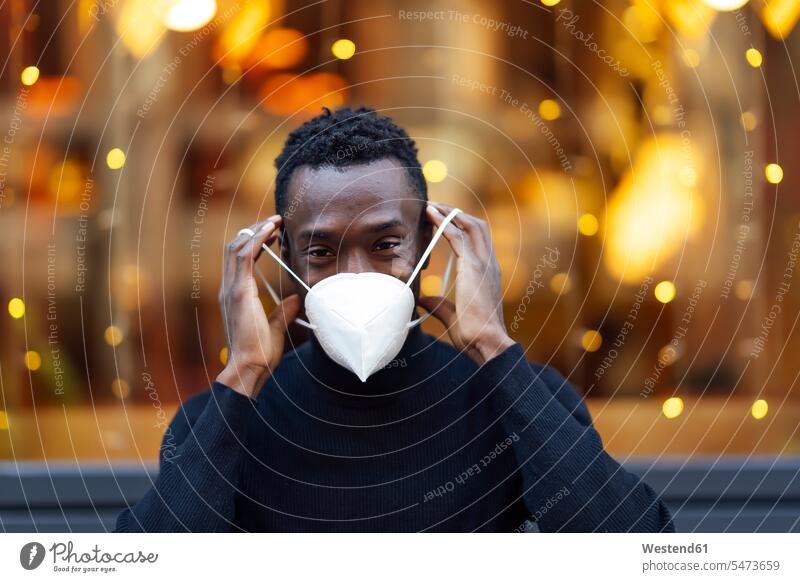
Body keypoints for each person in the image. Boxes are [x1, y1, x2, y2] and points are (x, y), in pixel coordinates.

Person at [114, 107, 674, 532]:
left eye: (385, 245)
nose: (356, 275)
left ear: (429, 248)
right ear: (279, 257)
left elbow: (635, 543)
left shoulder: (515, 400)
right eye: (321, 251)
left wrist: (493, 349)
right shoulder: (227, 419)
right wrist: (242, 376)